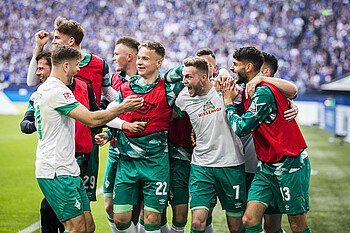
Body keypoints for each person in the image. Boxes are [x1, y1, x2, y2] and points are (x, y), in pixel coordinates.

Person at [33, 44, 143, 233]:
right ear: (66, 66)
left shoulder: (53, 88)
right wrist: (122, 107)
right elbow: (92, 119)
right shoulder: (56, 91)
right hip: (56, 171)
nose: (79, 69)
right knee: (75, 228)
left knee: (88, 227)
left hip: (69, 168)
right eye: (77, 65)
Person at [95, 41, 184, 233]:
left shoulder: (168, 87)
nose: (140, 62)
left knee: (152, 219)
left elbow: (191, 70)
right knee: (120, 219)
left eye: (145, 58)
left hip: (155, 164)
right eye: (140, 58)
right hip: (126, 164)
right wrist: (115, 130)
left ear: (159, 63)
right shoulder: (126, 88)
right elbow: (112, 113)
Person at [221, 46, 311, 233]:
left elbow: (241, 127)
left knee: (297, 225)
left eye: (235, 64)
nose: (231, 68)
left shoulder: (263, 91)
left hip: (289, 163)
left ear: (249, 67)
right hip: (266, 166)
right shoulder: (249, 89)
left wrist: (228, 102)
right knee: (249, 219)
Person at [175, 56, 246, 233]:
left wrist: (291, 105)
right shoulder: (183, 97)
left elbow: (252, 101)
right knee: (197, 223)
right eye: (183, 77)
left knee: (236, 226)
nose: (184, 82)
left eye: (189, 77)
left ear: (204, 77)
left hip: (231, 165)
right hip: (201, 166)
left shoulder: (225, 89)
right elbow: (166, 118)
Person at [101, 36, 146, 233]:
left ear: (129, 57)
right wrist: (108, 133)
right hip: (116, 151)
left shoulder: (149, 81)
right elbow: (107, 112)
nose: (112, 59)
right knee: (109, 207)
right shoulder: (113, 81)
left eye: (116, 54)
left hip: (141, 154)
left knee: (137, 211)